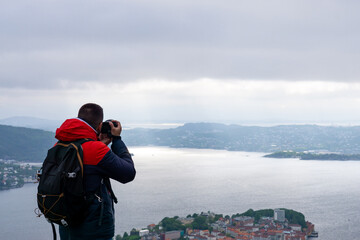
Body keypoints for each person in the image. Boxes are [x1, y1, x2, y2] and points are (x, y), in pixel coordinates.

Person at [55, 103, 136, 240]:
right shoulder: (96, 150)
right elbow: (128, 173)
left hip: (66, 225)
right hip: (93, 229)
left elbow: (85, 164)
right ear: (99, 126)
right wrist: (116, 139)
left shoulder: (59, 145)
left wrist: (101, 144)